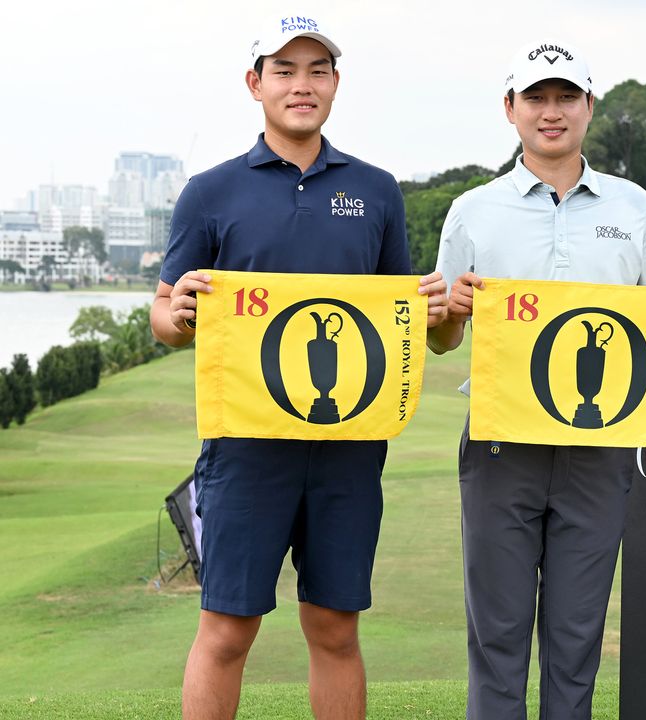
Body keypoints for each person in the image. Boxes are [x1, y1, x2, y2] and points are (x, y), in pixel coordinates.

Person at [150, 17, 447, 719]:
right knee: (226, 629)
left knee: (335, 627)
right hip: (246, 448)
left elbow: (393, 312)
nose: (301, 84)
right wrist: (181, 312)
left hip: (347, 446)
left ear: (336, 85)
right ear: (255, 84)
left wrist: (428, 309)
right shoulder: (210, 192)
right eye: (283, 70)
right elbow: (164, 316)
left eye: (317, 70)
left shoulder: (376, 191)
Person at [424, 40, 646, 719]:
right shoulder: (474, 208)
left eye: (566, 97)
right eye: (536, 97)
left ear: (590, 107)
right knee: (498, 638)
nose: (551, 112)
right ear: (510, 108)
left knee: (576, 637)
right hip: (502, 444)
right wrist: (448, 313)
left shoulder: (632, 204)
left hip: (599, 447)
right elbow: (444, 339)